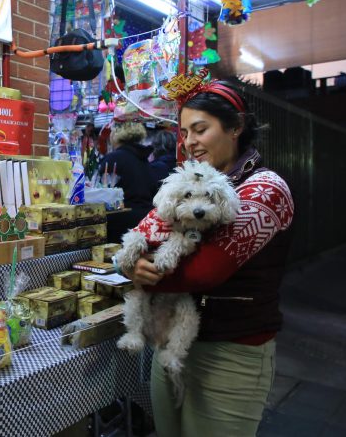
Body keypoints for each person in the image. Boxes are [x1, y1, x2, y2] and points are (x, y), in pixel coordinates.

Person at [122, 80, 294, 437]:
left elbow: (204, 272)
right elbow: (143, 231)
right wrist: (131, 263)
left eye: (200, 129)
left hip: (231, 353)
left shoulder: (265, 188)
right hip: (171, 343)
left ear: (235, 127)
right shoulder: (184, 183)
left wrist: (142, 272)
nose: (189, 142)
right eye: (184, 132)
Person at [97, 121, 158, 242]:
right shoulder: (144, 160)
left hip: (119, 224)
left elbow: (100, 191)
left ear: (115, 135)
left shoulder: (113, 159)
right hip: (146, 221)